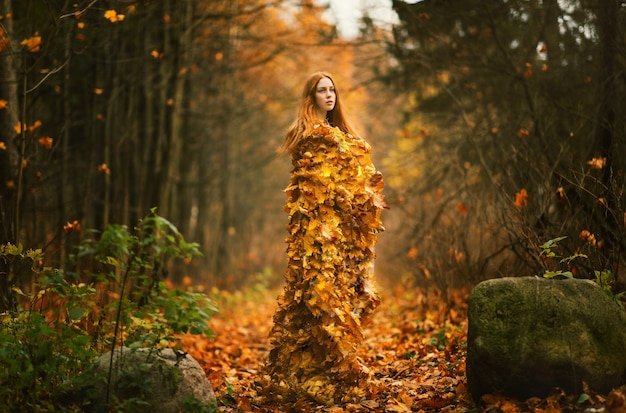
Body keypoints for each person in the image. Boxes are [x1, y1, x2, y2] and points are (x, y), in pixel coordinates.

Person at [263, 72, 387, 405]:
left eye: (332, 89)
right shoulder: (309, 137)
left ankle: (323, 376)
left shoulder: (343, 136)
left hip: (344, 234)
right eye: (322, 90)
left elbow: (357, 181)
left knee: (343, 299)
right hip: (317, 234)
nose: (329, 95)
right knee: (319, 301)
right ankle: (325, 375)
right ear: (311, 97)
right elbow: (315, 189)